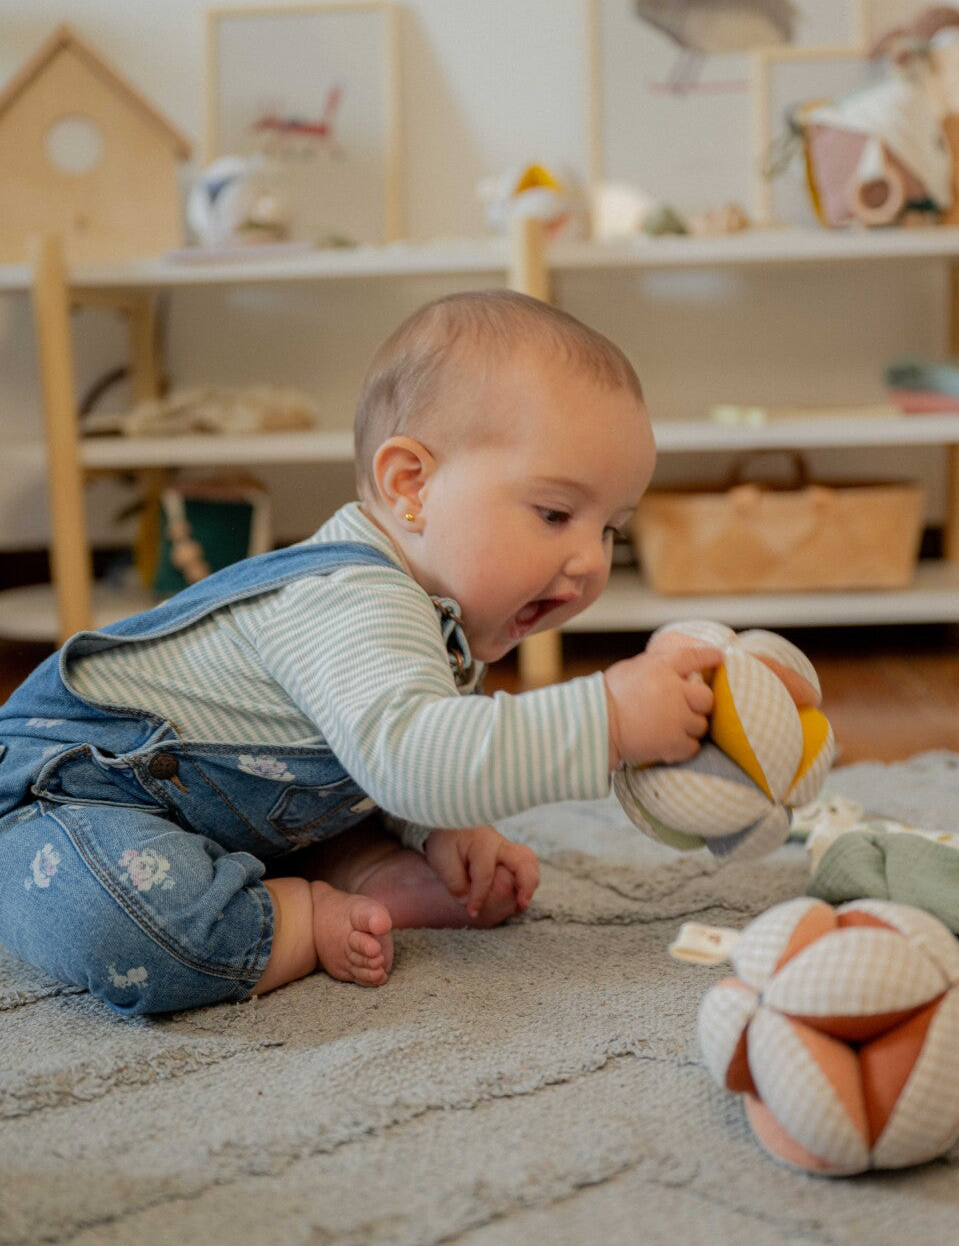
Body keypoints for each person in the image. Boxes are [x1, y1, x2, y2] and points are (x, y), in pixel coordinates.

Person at [0, 290, 720, 1016]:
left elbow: (373, 756)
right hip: (60, 800)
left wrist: (438, 826)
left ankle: (362, 867)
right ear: (411, 486)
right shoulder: (353, 596)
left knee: (373, 795)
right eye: (557, 514)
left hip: (206, 814)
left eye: (611, 530)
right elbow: (413, 761)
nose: (590, 562)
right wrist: (609, 720)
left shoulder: (433, 611)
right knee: (131, 929)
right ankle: (296, 917)